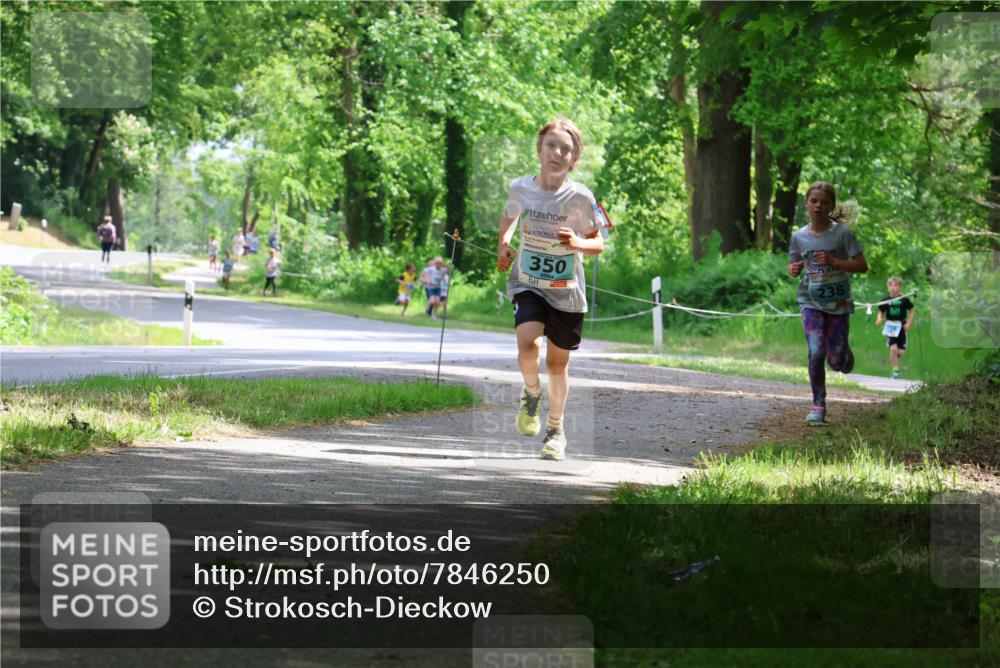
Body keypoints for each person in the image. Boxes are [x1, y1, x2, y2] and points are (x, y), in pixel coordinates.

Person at [497, 118, 604, 460]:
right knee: (528, 344)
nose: (557, 153)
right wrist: (504, 242)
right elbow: (509, 215)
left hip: (567, 290)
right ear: (540, 149)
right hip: (528, 283)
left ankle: (555, 431)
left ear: (574, 159)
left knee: (558, 365)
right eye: (551, 145)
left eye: (566, 149)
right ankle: (531, 393)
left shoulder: (581, 197)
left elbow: (598, 243)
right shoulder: (520, 188)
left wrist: (577, 243)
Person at [788, 181, 869, 425]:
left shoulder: (843, 234)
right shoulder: (799, 237)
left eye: (824, 202)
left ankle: (844, 355)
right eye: (814, 201)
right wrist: (793, 268)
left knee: (835, 361)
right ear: (806, 204)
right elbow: (794, 265)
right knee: (815, 350)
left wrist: (835, 262)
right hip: (810, 301)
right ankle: (818, 404)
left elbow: (862, 266)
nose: (818, 206)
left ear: (832, 206)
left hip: (838, 303)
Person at [875, 277, 915, 379]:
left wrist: (909, 324)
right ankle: (895, 371)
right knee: (893, 349)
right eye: (891, 285)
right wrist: (879, 319)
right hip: (890, 326)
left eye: (896, 285)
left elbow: (912, 311)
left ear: (900, 287)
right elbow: (880, 311)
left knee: (900, 351)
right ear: (888, 287)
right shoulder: (885, 301)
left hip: (901, 326)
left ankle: (893, 358)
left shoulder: (904, 300)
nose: (893, 288)